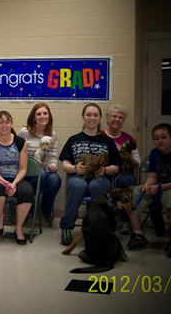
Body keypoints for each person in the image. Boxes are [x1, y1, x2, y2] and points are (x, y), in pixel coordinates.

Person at [126, 123, 171, 259]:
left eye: (163, 137)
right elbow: (152, 176)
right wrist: (147, 185)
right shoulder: (154, 153)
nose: (160, 141)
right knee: (135, 192)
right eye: (156, 138)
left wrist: (159, 188)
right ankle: (138, 234)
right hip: (159, 185)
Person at [58, 103, 121, 246]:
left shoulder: (107, 141)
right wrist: (75, 168)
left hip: (100, 178)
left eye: (95, 115)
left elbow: (116, 167)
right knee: (78, 186)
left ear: (99, 118)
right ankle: (67, 227)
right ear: (83, 117)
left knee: (97, 186)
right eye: (88, 115)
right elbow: (65, 165)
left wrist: (105, 170)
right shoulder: (74, 139)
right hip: (78, 177)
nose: (91, 118)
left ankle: (94, 227)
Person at [0, 111, 34, 245]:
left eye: (7, 122)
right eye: (1, 122)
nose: (4, 125)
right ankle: (0, 217)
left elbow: (23, 169)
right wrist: (4, 182)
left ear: (11, 124)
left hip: (16, 178)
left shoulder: (20, 142)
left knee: (27, 191)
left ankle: (18, 228)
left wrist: (14, 183)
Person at [17, 103, 61, 226]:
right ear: (33, 117)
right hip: (28, 170)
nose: (42, 116)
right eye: (39, 114)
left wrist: (53, 165)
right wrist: (33, 162)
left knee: (55, 179)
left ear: (49, 116)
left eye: (45, 113)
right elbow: (17, 153)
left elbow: (53, 155)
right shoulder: (24, 133)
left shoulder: (53, 134)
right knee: (40, 173)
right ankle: (29, 208)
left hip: (45, 168)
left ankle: (45, 209)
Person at [103, 104, 141, 188]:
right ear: (107, 118)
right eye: (114, 116)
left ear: (123, 121)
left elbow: (138, 164)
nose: (117, 119)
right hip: (104, 172)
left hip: (123, 173)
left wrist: (129, 159)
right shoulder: (99, 136)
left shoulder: (129, 139)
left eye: (121, 117)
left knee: (127, 180)